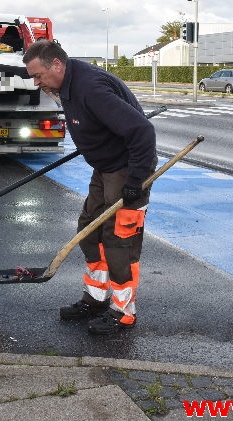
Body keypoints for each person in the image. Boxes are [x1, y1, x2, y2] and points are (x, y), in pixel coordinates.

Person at [22, 40, 157, 335]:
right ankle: (96, 298)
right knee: (89, 229)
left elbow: (142, 131)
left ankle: (123, 311)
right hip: (105, 166)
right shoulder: (65, 85)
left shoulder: (90, 88)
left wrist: (135, 183)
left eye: (38, 75)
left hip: (127, 168)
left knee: (118, 239)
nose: (36, 82)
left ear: (57, 65)